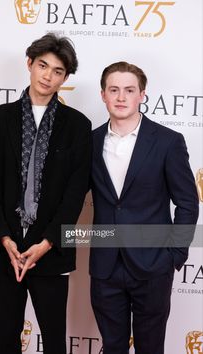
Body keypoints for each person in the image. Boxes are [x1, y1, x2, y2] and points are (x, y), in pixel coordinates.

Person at [0, 32, 92, 354]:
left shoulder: (77, 126)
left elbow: (75, 192)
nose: (48, 76)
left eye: (58, 71)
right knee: (7, 340)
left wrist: (48, 241)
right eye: (43, 65)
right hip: (4, 248)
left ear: (65, 78)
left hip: (50, 249)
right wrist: (5, 239)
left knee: (55, 341)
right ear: (29, 63)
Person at [89, 61, 199, 354]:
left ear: (142, 95)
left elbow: (187, 202)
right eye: (114, 90)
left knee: (151, 348)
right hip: (105, 266)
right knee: (112, 347)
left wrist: (174, 255)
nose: (121, 97)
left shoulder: (167, 142)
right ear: (103, 95)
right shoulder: (89, 142)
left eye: (129, 90)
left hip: (153, 266)